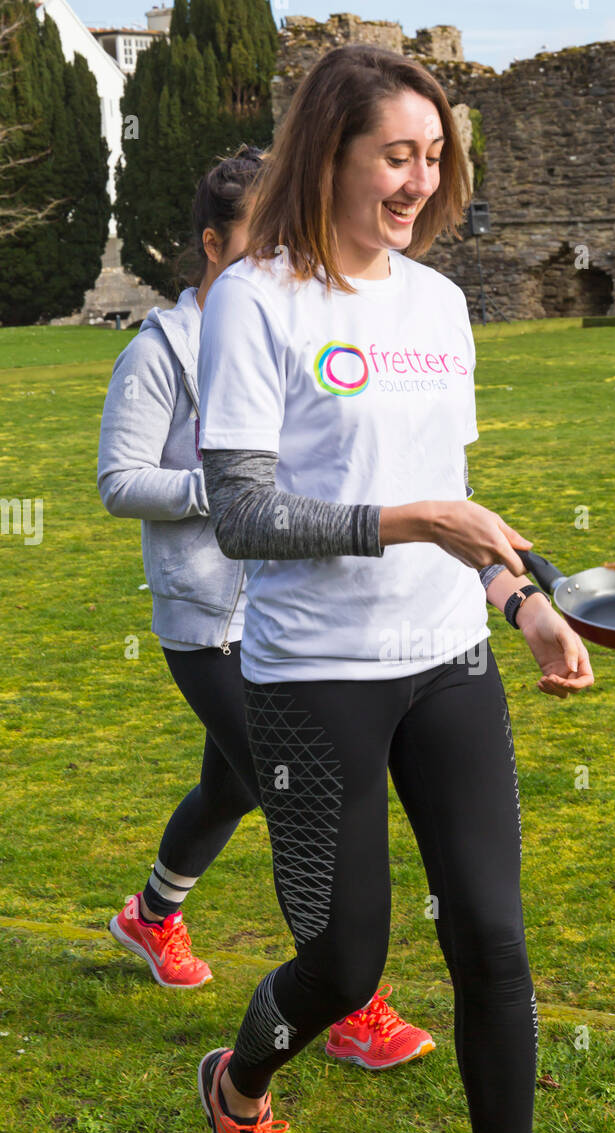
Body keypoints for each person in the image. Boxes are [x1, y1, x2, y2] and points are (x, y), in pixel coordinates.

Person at [196, 44, 605, 1133]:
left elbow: (456, 496)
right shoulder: (254, 300)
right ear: (330, 152)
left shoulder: (435, 303)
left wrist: (519, 598)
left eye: (435, 156)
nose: (419, 181)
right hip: (312, 677)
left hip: (447, 661)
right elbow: (241, 513)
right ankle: (238, 1083)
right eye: (396, 154)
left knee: (492, 937)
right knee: (346, 967)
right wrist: (410, 523)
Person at [96, 146, 434, 1068]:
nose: (286, 253)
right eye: (263, 237)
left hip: (294, 614)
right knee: (306, 801)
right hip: (209, 618)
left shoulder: (297, 327)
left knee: (237, 783)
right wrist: (234, 494)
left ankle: (149, 915)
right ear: (212, 243)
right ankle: (348, 997)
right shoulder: (159, 351)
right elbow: (120, 481)